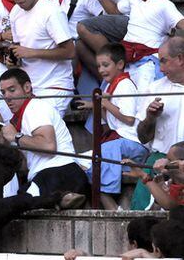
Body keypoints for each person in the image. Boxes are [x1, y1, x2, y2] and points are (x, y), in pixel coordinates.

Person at [0, 68, 89, 199]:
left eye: (12, 90)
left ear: (27, 87)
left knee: (18, 206)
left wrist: (16, 136)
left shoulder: (35, 107)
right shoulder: (23, 116)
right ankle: (62, 199)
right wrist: (2, 143)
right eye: (3, 92)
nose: (7, 97)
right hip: (52, 176)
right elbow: (25, 166)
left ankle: (61, 198)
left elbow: (48, 146)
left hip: (58, 173)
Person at [77, 43, 148, 210]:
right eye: (99, 66)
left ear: (120, 64)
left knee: (93, 160)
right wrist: (99, 106)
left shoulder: (125, 85)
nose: (101, 70)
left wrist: (104, 102)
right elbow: (109, 120)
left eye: (105, 65)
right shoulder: (109, 86)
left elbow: (129, 119)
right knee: (82, 161)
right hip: (120, 143)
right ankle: (113, 207)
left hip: (131, 142)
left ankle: (112, 209)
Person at [87, 0, 184, 93]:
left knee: (144, 97)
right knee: (112, 94)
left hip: (148, 60)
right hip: (126, 57)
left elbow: (182, 24)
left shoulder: (164, 4)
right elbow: (115, 11)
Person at [131, 35, 184, 210]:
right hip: (159, 162)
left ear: (180, 59)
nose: (160, 69)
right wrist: (150, 118)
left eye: (163, 61)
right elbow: (143, 137)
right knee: (141, 219)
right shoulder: (155, 89)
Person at [8, 0, 75, 117]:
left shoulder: (51, 11)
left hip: (54, 87)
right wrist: (13, 60)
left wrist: (31, 53)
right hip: (27, 88)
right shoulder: (15, 12)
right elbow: (18, 49)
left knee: (43, 130)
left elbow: (70, 51)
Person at [124, 142, 184, 210]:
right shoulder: (168, 183)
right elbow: (155, 213)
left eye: (169, 160)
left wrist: (143, 175)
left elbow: (172, 207)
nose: (164, 162)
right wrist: (160, 194)